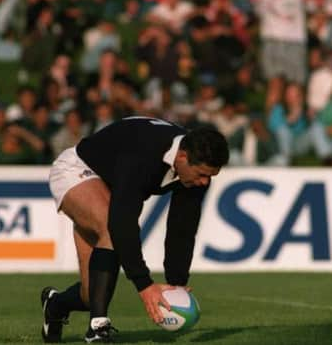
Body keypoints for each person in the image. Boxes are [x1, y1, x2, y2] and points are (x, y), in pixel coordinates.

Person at [40, 117, 229, 342]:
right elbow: (123, 223)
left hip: (109, 185)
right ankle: (98, 328)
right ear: (182, 157)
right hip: (77, 169)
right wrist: (144, 285)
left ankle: (55, 305)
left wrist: (176, 284)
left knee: (91, 294)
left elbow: (182, 229)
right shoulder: (144, 155)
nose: (205, 183)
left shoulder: (193, 165)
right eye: (202, 175)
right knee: (111, 229)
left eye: (210, 177)